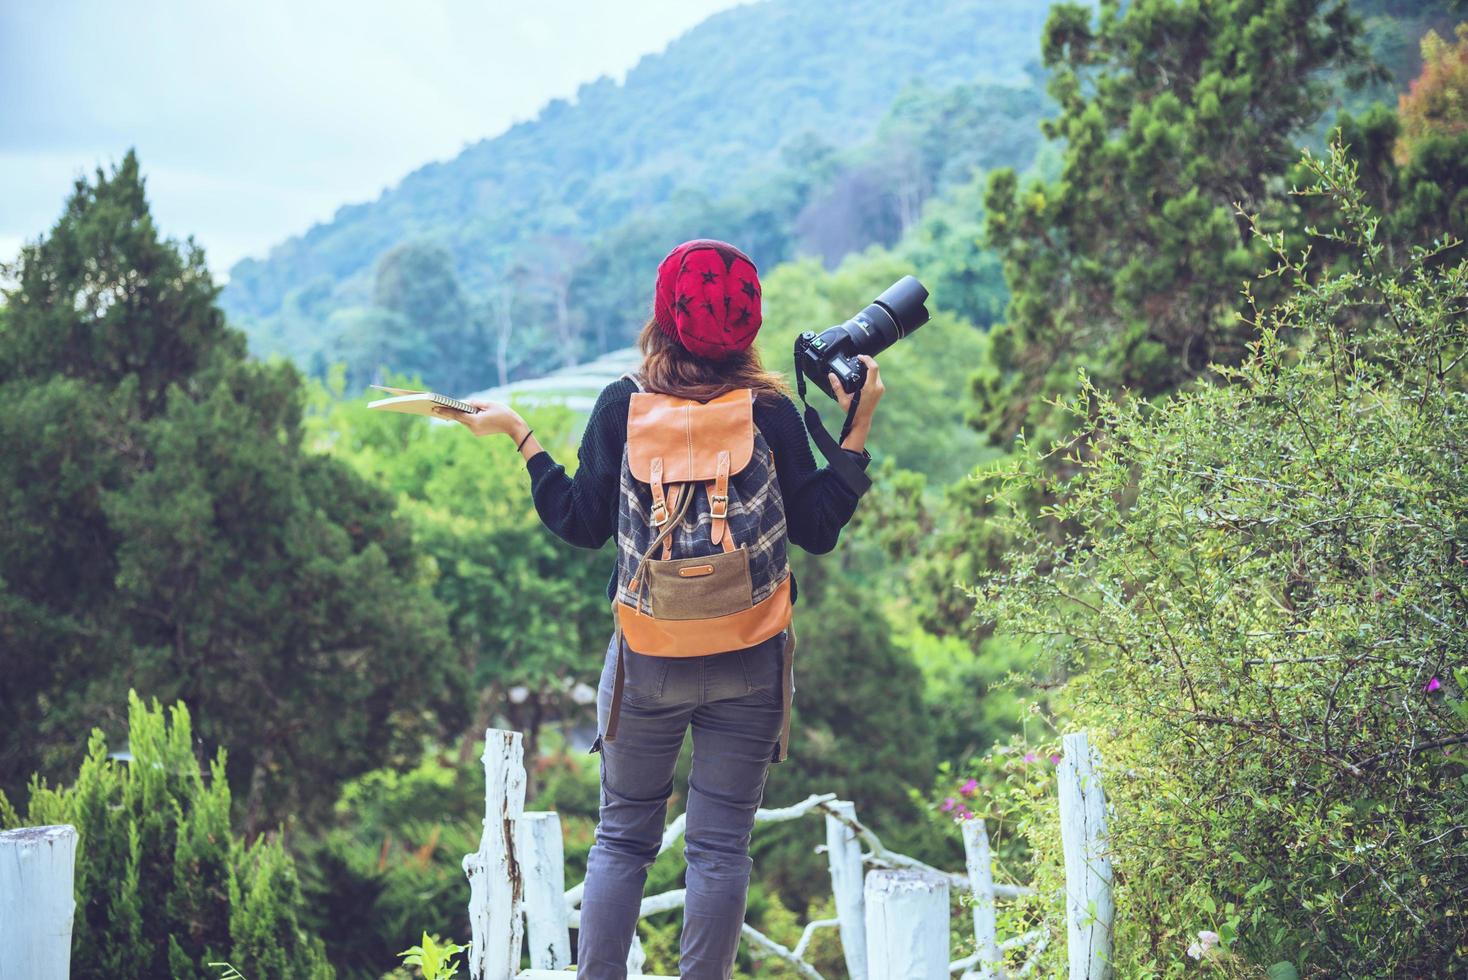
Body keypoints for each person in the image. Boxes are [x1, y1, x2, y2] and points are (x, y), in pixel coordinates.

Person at [433, 238, 883, 979]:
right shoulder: (768, 409)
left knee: (622, 841)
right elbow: (818, 529)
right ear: (750, 320)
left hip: (648, 658)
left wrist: (520, 434)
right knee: (719, 846)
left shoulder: (623, 402)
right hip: (752, 653)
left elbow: (580, 523)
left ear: (663, 315)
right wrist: (857, 428)